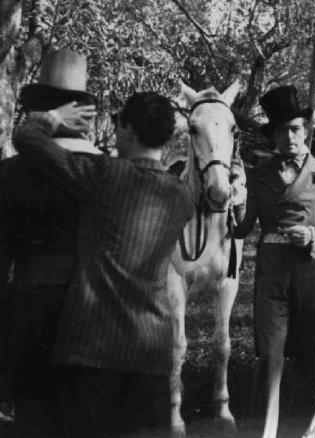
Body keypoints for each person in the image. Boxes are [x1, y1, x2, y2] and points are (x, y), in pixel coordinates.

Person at [12, 90, 198, 437]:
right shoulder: (181, 196)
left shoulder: (105, 176)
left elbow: (26, 138)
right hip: (153, 354)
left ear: (126, 129)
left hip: (92, 349)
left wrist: (55, 117)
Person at [233, 85, 315, 438]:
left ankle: (305, 432)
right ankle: (266, 433)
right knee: (270, 357)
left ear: (307, 131)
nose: (288, 138)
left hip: (310, 270)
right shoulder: (258, 175)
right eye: (280, 131)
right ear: (272, 135)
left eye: (295, 129)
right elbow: (242, 228)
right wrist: (228, 205)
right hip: (270, 271)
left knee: (308, 359)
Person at [0, 49, 101, 437]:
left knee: (31, 415)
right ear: (82, 116)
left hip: (26, 307)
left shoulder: (9, 172)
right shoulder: (101, 171)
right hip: (88, 310)